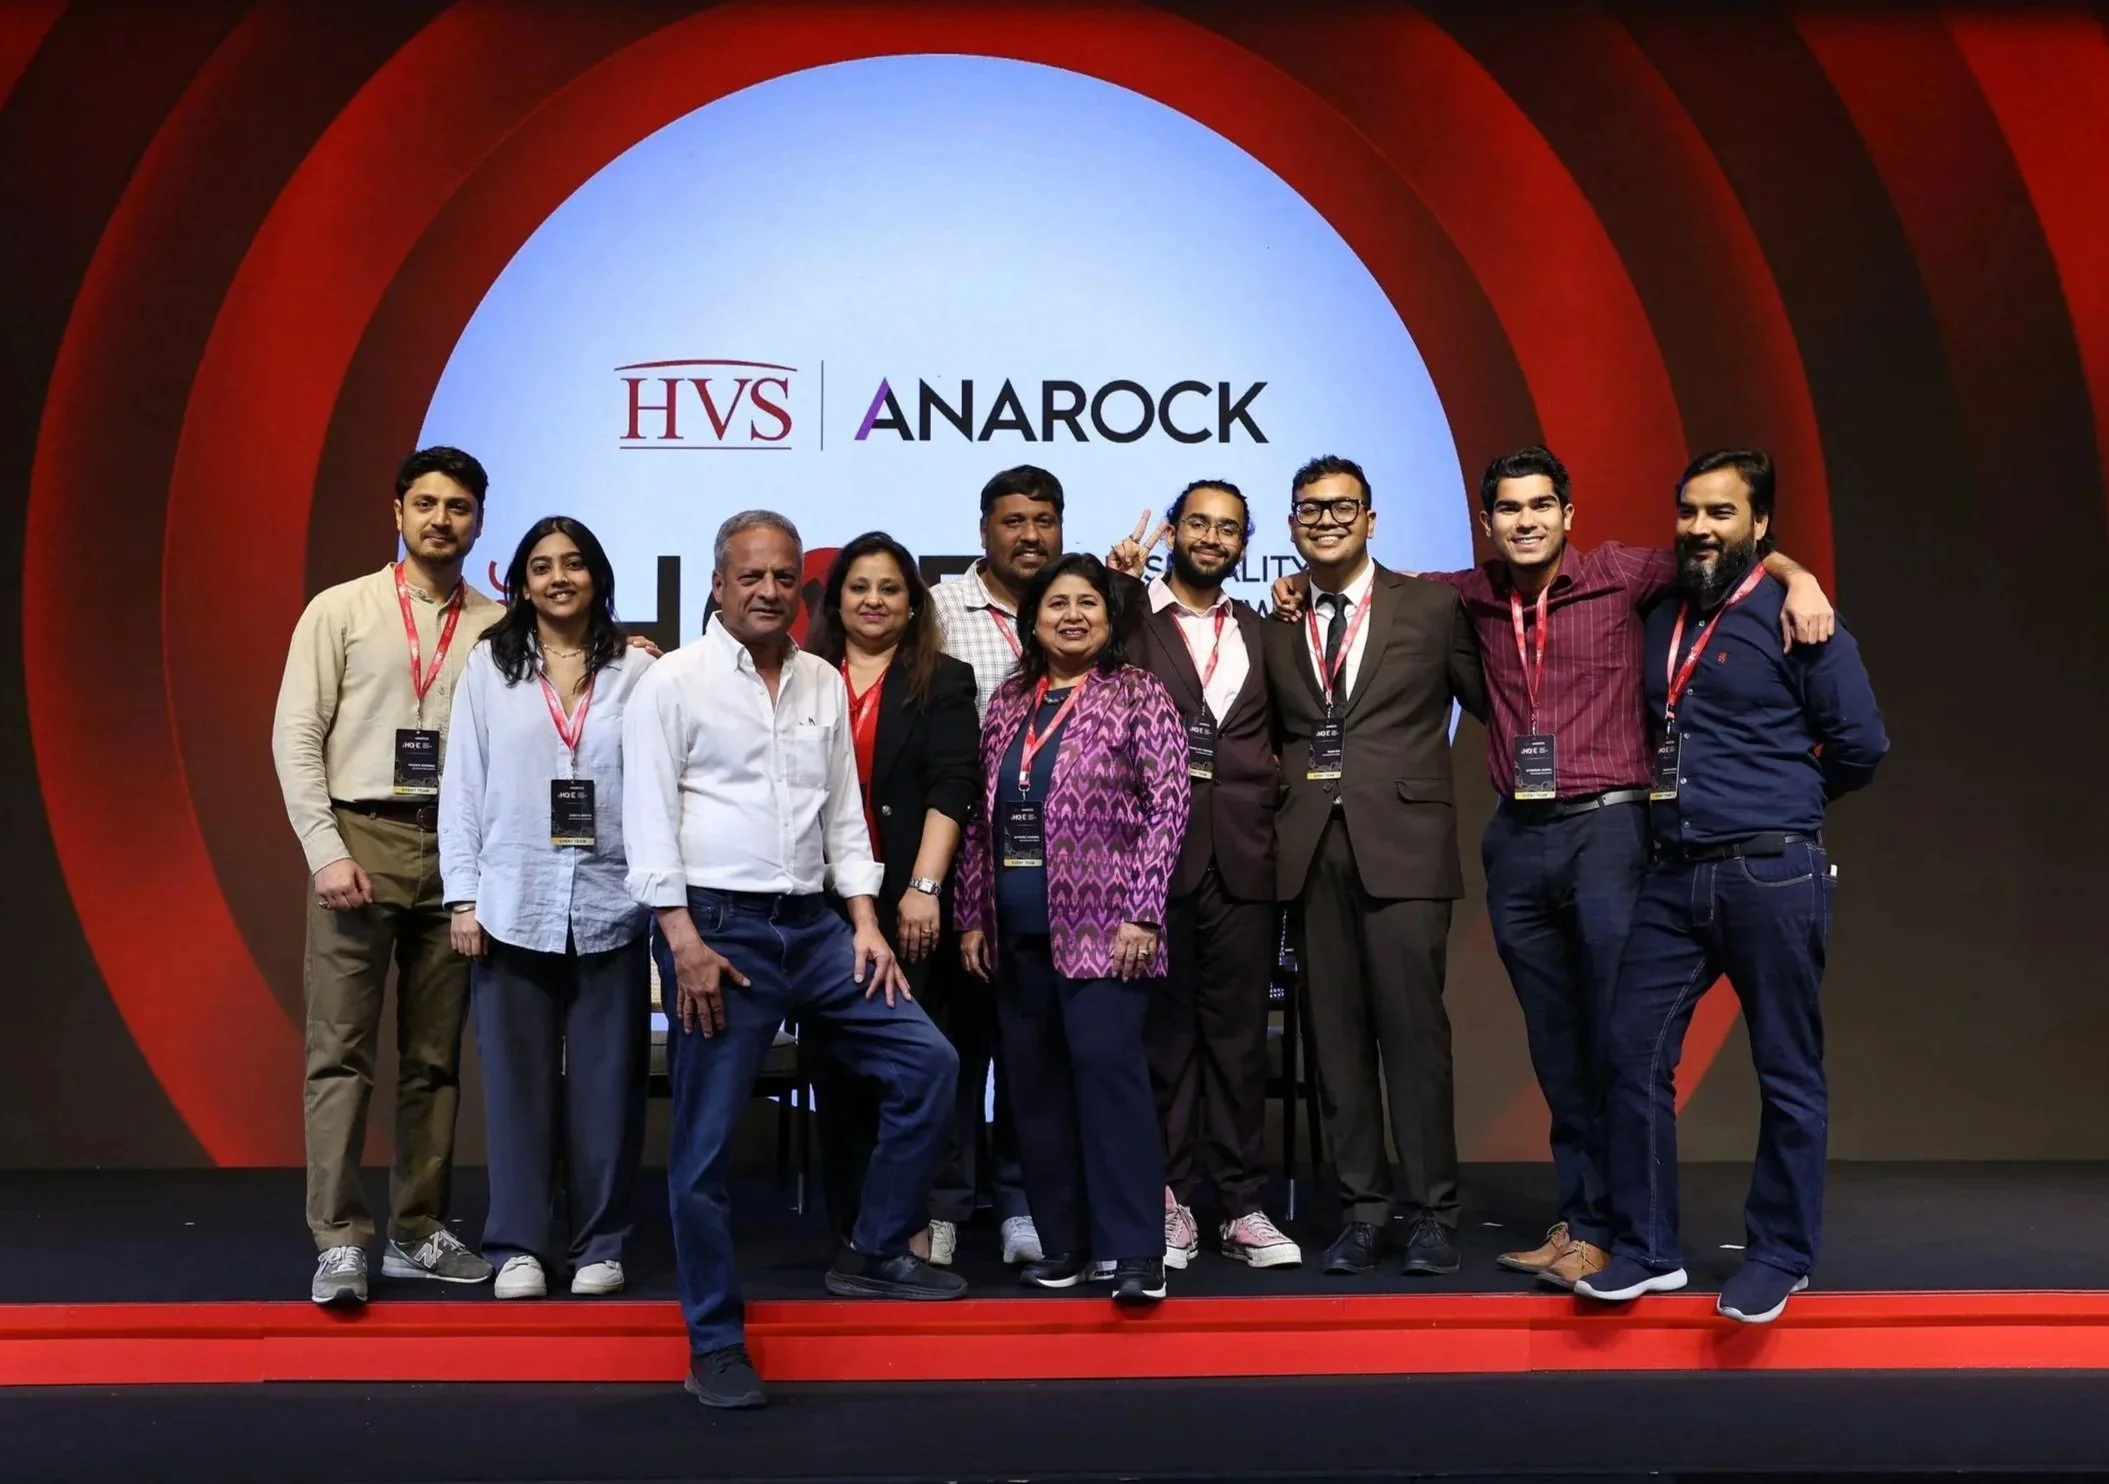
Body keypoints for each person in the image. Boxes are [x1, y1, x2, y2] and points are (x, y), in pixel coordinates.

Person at [1271, 444, 1836, 1290]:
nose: (1525, 521)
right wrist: (1297, 586)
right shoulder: (1468, 595)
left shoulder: (1621, 574)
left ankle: (1627, 1232)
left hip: (1608, 831)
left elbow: (1723, 549)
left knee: (1617, 1041)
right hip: (1518, 838)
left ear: (1568, 514)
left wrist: (1800, 577)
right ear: (1486, 522)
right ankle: (1581, 1221)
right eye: (1508, 508)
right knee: (1557, 1048)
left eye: (1540, 505)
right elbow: (1372, 586)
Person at [624, 510, 965, 1412]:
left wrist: (865, 920)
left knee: (928, 1062)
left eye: (783, 577)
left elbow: (842, 814)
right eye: (751, 577)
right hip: (718, 934)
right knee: (703, 1149)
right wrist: (681, 941)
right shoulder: (673, 683)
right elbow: (646, 820)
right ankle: (714, 1342)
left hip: (818, 927)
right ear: (717, 584)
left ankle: (875, 1246)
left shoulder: (819, 679)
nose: (769, 591)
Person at [1576, 450, 1885, 1325]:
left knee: (1785, 1068)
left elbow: (1860, 745)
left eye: (1720, 512)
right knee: (1630, 1054)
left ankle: (1779, 1256)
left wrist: (1784, 802)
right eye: (1687, 511)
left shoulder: (1799, 618)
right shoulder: (1663, 610)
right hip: (1673, 872)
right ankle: (1647, 1249)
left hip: (1770, 870)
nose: (1699, 528)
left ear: (1759, 524)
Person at [272, 445, 503, 1306]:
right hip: (360, 837)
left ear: (478, 522)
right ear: (397, 512)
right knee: (339, 1053)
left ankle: (416, 1229)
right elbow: (296, 736)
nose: (441, 520)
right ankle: (338, 1239)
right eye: (426, 504)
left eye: (458, 507)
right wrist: (325, 850)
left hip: (456, 848)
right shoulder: (340, 610)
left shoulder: (497, 626)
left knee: (434, 1058)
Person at [1262, 455, 1485, 1279]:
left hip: (1405, 847)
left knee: (1414, 1038)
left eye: (1341, 507)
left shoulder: (1429, 606)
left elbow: (1495, 696)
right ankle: (1362, 1210)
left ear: (1370, 518)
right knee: (1336, 1040)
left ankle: (1431, 1212)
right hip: (1309, 851)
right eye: (1309, 509)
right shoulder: (1275, 621)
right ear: (1292, 524)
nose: (1325, 520)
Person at [955, 553, 1191, 1305]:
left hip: (1107, 931)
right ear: (1032, 621)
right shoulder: (1007, 701)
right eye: (1056, 603)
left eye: (1087, 602)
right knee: (1035, 1093)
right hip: (1015, 929)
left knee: (1110, 1087)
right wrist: (971, 914)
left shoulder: (1137, 693)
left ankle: (1134, 1253)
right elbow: (978, 820)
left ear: (1108, 616)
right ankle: (1065, 1244)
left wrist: (1143, 910)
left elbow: (1168, 807)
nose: (1072, 616)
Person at [439, 516, 654, 1300]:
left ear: (597, 576)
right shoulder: (489, 667)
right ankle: (517, 1247)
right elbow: (463, 784)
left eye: (573, 563)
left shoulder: (638, 670)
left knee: (608, 1089)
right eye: (540, 566)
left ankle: (601, 1243)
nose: (558, 577)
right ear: (521, 584)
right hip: (512, 899)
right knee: (516, 1088)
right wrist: (463, 896)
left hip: (611, 902)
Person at [1104, 484, 1300, 1270]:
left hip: (1245, 858)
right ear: (1173, 532)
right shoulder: (1129, 618)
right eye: (1198, 524)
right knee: (1162, 1041)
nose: (1211, 538)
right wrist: (1117, 585)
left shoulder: (1262, 627)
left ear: (1243, 544)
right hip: (1152, 864)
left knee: (1239, 1041)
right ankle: (1169, 1201)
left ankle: (1242, 1207)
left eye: (1227, 529)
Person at [803, 532, 982, 1267]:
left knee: (922, 1062)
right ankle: (855, 1223)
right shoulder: (804, 675)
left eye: (889, 588)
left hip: (912, 901)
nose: (873, 600)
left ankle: (920, 1214)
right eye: (859, 587)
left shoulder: (944, 679)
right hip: (821, 906)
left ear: (913, 604)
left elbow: (953, 785)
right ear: (836, 599)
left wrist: (924, 888)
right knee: (839, 1068)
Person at [926, 464, 1066, 1265]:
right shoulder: (940, 610)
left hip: (1052, 873)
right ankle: (945, 1203)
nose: (1030, 536)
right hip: (958, 861)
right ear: (983, 531)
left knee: (1029, 1047)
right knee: (955, 1043)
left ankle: (1021, 1202)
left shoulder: (1078, 608)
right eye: (1013, 521)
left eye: (1044, 520)